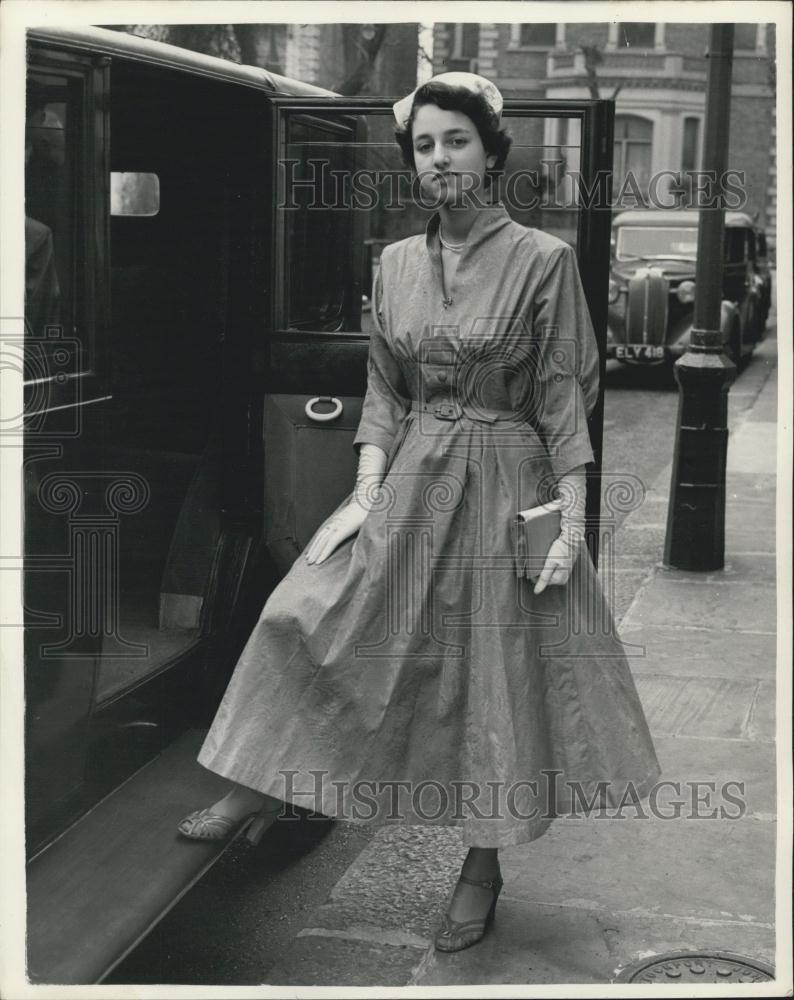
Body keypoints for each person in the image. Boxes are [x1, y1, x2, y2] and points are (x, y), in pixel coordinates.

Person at [179, 72, 660, 953]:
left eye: (457, 141)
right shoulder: (394, 264)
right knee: (309, 612)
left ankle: (481, 866)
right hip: (411, 476)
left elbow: (565, 403)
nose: (440, 159)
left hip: (509, 481)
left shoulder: (543, 261)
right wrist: (364, 496)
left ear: (491, 152)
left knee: (496, 677)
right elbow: (383, 392)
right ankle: (259, 779)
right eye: (426, 145)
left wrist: (572, 522)